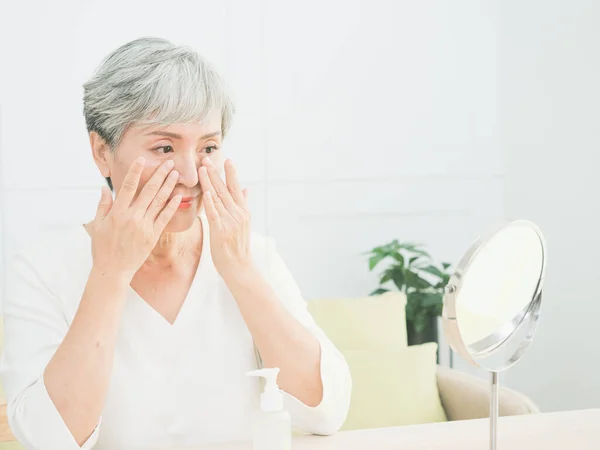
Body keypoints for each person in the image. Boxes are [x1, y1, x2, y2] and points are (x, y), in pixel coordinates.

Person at [0, 37, 352, 450]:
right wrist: (110, 275)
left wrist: (238, 269)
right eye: (164, 147)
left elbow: (327, 412)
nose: (189, 173)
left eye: (208, 147)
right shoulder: (43, 270)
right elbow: (50, 440)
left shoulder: (251, 253)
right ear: (101, 151)